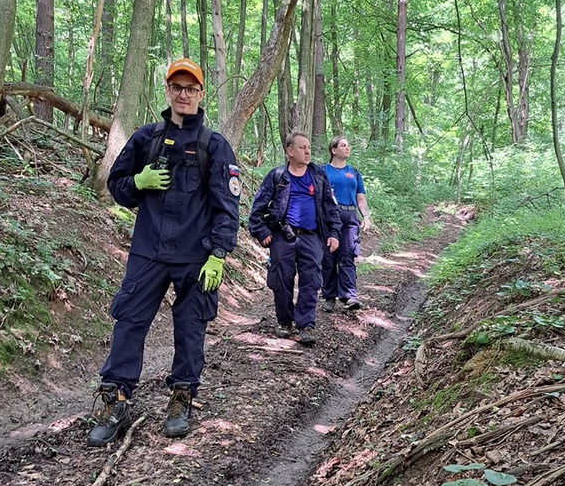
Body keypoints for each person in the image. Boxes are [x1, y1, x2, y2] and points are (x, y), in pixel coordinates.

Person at [87, 57, 240, 445]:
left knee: (190, 327)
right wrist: (138, 180)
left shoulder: (215, 147)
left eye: (191, 88)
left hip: (195, 255)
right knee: (129, 321)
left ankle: (182, 396)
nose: (183, 94)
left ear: (201, 94)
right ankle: (115, 398)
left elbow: (228, 207)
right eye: (177, 87)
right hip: (148, 251)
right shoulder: (145, 138)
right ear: (167, 91)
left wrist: (218, 253)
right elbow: (118, 187)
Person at [248, 132, 341, 347]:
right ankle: (285, 321)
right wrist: (261, 232)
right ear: (290, 151)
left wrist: (334, 234)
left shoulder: (318, 175)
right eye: (302, 148)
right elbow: (257, 208)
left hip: (312, 238)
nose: (307, 151)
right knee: (281, 281)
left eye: (308, 147)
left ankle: (306, 325)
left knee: (311, 281)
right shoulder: (277, 176)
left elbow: (329, 206)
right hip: (283, 237)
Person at [321, 136, 371, 312]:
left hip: (349, 217)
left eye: (348, 145)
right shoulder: (322, 171)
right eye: (343, 145)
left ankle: (349, 295)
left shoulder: (354, 173)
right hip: (329, 217)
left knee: (347, 256)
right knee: (328, 258)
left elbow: (361, 198)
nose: (347, 148)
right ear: (334, 150)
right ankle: (329, 296)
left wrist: (366, 216)